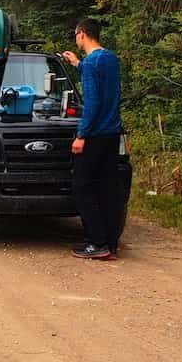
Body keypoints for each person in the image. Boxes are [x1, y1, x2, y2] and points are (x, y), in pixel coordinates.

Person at [61, 18, 124, 261]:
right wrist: (78, 64)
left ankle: (96, 242)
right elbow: (105, 85)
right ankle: (110, 242)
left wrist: (81, 135)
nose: (76, 39)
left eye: (77, 35)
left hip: (94, 135)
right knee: (108, 189)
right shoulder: (109, 58)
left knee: (82, 187)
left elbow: (93, 103)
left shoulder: (91, 63)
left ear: (82, 35)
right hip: (112, 133)